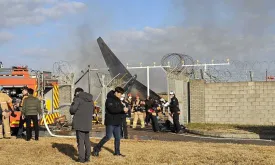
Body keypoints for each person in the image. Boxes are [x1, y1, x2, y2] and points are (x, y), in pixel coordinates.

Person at [92, 87, 128, 157]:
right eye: (120, 94)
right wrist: (122, 110)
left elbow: (121, 110)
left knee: (117, 138)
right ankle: (97, 148)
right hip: (110, 122)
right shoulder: (109, 100)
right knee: (108, 136)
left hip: (117, 122)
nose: (121, 96)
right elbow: (112, 110)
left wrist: (125, 111)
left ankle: (117, 152)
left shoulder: (118, 100)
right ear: (116, 92)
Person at [70, 87, 94, 163]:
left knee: (80, 141)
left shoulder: (77, 99)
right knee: (87, 141)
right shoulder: (91, 100)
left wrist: (72, 104)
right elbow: (93, 110)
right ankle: (87, 158)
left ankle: (81, 159)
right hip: (88, 123)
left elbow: (72, 110)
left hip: (79, 123)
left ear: (77, 93)